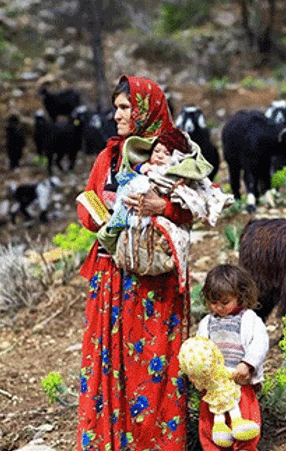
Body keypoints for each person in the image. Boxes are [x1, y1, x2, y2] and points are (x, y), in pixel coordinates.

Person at [76, 76, 196, 451]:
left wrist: (165, 207)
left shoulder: (175, 156)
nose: (117, 115)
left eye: (125, 107)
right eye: (116, 108)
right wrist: (99, 215)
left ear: (146, 109)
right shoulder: (109, 157)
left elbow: (196, 207)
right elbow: (89, 202)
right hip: (111, 277)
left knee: (154, 369)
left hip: (153, 285)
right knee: (110, 368)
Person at [184, 264, 269, 451]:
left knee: (246, 420)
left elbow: (260, 343)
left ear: (240, 296)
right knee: (210, 425)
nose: (219, 308)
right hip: (215, 386)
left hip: (240, 381)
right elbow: (201, 347)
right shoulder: (207, 323)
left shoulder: (249, 319)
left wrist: (247, 364)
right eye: (213, 303)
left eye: (225, 302)